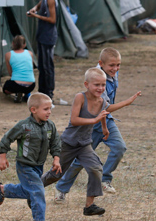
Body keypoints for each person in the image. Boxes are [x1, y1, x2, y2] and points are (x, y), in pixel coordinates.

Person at [41, 67, 141, 215]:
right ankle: (32, 188)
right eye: (97, 85)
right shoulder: (80, 98)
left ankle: (89, 206)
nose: (100, 88)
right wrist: (94, 120)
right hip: (69, 143)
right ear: (86, 84)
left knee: (95, 168)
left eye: (103, 85)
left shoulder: (102, 100)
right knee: (56, 174)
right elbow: (74, 120)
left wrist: (105, 128)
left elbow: (105, 112)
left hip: (84, 144)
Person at [54, 48, 127, 200]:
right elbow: (105, 106)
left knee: (120, 148)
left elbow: (106, 109)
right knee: (79, 161)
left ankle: (104, 178)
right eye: (112, 66)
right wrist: (128, 102)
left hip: (106, 120)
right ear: (101, 64)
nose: (115, 69)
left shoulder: (113, 73)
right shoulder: (95, 79)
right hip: (92, 125)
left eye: (118, 65)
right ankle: (61, 189)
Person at [0, 92, 61, 221]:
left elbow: (55, 143)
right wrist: (3, 157)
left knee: (31, 190)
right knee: (37, 190)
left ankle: (4, 190)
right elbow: (7, 138)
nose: (49, 112)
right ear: (33, 110)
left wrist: (56, 159)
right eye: (45, 109)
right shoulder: (24, 126)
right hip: (25, 165)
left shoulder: (50, 126)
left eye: (50, 108)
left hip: (39, 166)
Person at [27, 0, 58, 100]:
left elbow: (52, 19)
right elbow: (39, 5)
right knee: (41, 65)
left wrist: (36, 16)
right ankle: (42, 91)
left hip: (48, 37)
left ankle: (49, 92)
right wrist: (34, 9)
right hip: (42, 36)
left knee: (47, 66)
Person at [2, 35, 36, 103]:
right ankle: (27, 94)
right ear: (24, 44)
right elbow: (31, 69)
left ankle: (18, 93)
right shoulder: (30, 53)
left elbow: (10, 73)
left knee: (5, 88)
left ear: (13, 43)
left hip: (16, 85)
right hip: (31, 85)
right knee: (25, 82)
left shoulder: (8, 55)